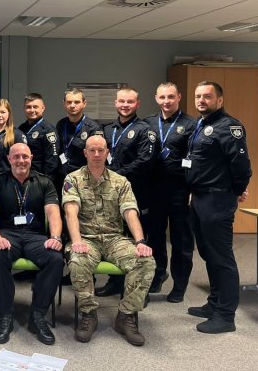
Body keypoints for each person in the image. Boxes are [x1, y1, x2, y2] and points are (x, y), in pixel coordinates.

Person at [63, 135, 155, 346]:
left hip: (115, 239)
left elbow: (130, 212)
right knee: (77, 261)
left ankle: (126, 315)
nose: (96, 154)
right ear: (85, 153)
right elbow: (70, 212)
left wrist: (140, 241)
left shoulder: (120, 181)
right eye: (92, 150)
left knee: (145, 261)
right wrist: (76, 241)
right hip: (86, 239)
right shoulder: (72, 179)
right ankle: (88, 314)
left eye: (101, 150)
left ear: (107, 152)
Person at [185, 81, 251, 334]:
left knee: (221, 257)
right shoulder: (201, 125)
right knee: (208, 254)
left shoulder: (229, 126)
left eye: (207, 96)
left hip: (217, 199)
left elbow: (241, 165)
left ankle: (225, 315)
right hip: (200, 198)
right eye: (198, 96)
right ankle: (214, 303)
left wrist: (235, 191)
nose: (201, 100)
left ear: (220, 100)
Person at [0, 143, 63, 345]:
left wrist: (55, 237)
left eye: (25, 156)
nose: (21, 160)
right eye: (16, 156)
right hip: (7, 234)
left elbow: (53, 212)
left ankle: (38, 315)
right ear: (9, 159)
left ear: (31, 158)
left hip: (35, 235)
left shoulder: (44, 181)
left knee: (55, 259)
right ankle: (5, 315)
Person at [97, 87, 156, 298]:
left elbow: (144, 162)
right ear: (115, 103)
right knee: (116, 237)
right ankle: (115, 282)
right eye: (121, 101)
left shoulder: (145, 130)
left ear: (137, 104)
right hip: (111, 194)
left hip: (136, 192)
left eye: (130, 102)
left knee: (138, 239)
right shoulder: (107, 130)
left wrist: (116, 175)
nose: (125, 105)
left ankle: (140, 291)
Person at [144, 83, 196, 302]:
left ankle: (179, 285)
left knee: (181, 240)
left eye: (171, 97)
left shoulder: (191, 124)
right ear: (156, 98)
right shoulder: (147, 123)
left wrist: (193, 189)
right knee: (154, 236)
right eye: (163, 97)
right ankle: (158, 275)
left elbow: (196, 157)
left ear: (179, 97)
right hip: (154, 189)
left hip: (179, 189)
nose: (167, 101)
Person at [55, 88, 103, 185]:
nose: (72, 105)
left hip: (83, 179)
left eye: (77, 102)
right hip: (62, 177)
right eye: (69, 102)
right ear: (64, 104)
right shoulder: (61, 124)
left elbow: (96, 157)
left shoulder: (93, 127)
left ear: (84, 103)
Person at [18, 93, 59, 181]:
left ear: (43, 108)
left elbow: (52, 162)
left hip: (39, 179)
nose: (32, 110)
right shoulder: (22, 128)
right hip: (22, 176)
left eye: (35, 107)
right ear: (24, 108)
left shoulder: (49, 131)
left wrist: (45, 182)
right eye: (28, 107)